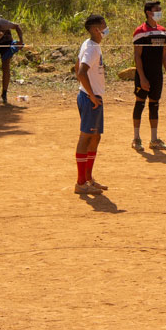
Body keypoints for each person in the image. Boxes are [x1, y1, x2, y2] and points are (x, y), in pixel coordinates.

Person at [129, 1, 166, 149]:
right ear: (148, 12)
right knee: (140, 103)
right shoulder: (140, 31)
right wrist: (142, 77)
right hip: (144, 74)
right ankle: (136, 139)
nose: (160, 11)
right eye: (157, 9)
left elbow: (165, 56)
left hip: (157, 75)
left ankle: (154, 140)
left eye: (160, 9)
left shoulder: (163, 31)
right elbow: (137, 56)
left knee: (154, 105)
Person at [73, 13, 108, 194]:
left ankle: (88, 178)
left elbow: (76, 66)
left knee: (95, 137)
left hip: (91, 96)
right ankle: (80, 183)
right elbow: (81, 71)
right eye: (103, 26)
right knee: (86, 137)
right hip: (90, 99)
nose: (106, 29)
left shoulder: (89, 45)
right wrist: (92, 96)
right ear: (96, 29)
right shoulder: (92, 48)